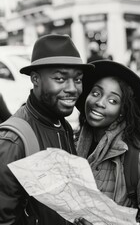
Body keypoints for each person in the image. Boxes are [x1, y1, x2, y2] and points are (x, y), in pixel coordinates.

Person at [0, 34, 95, 225]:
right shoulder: (13, 141)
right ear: (35, 79)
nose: (72, 88)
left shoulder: (63, 125)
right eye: (60, 78)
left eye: (78, 79)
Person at [75, 60, 140, 225]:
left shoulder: (139, 161)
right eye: (96, 93)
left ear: (122, 112)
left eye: (113, 101)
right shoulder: (73, 146)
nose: (99, 102)